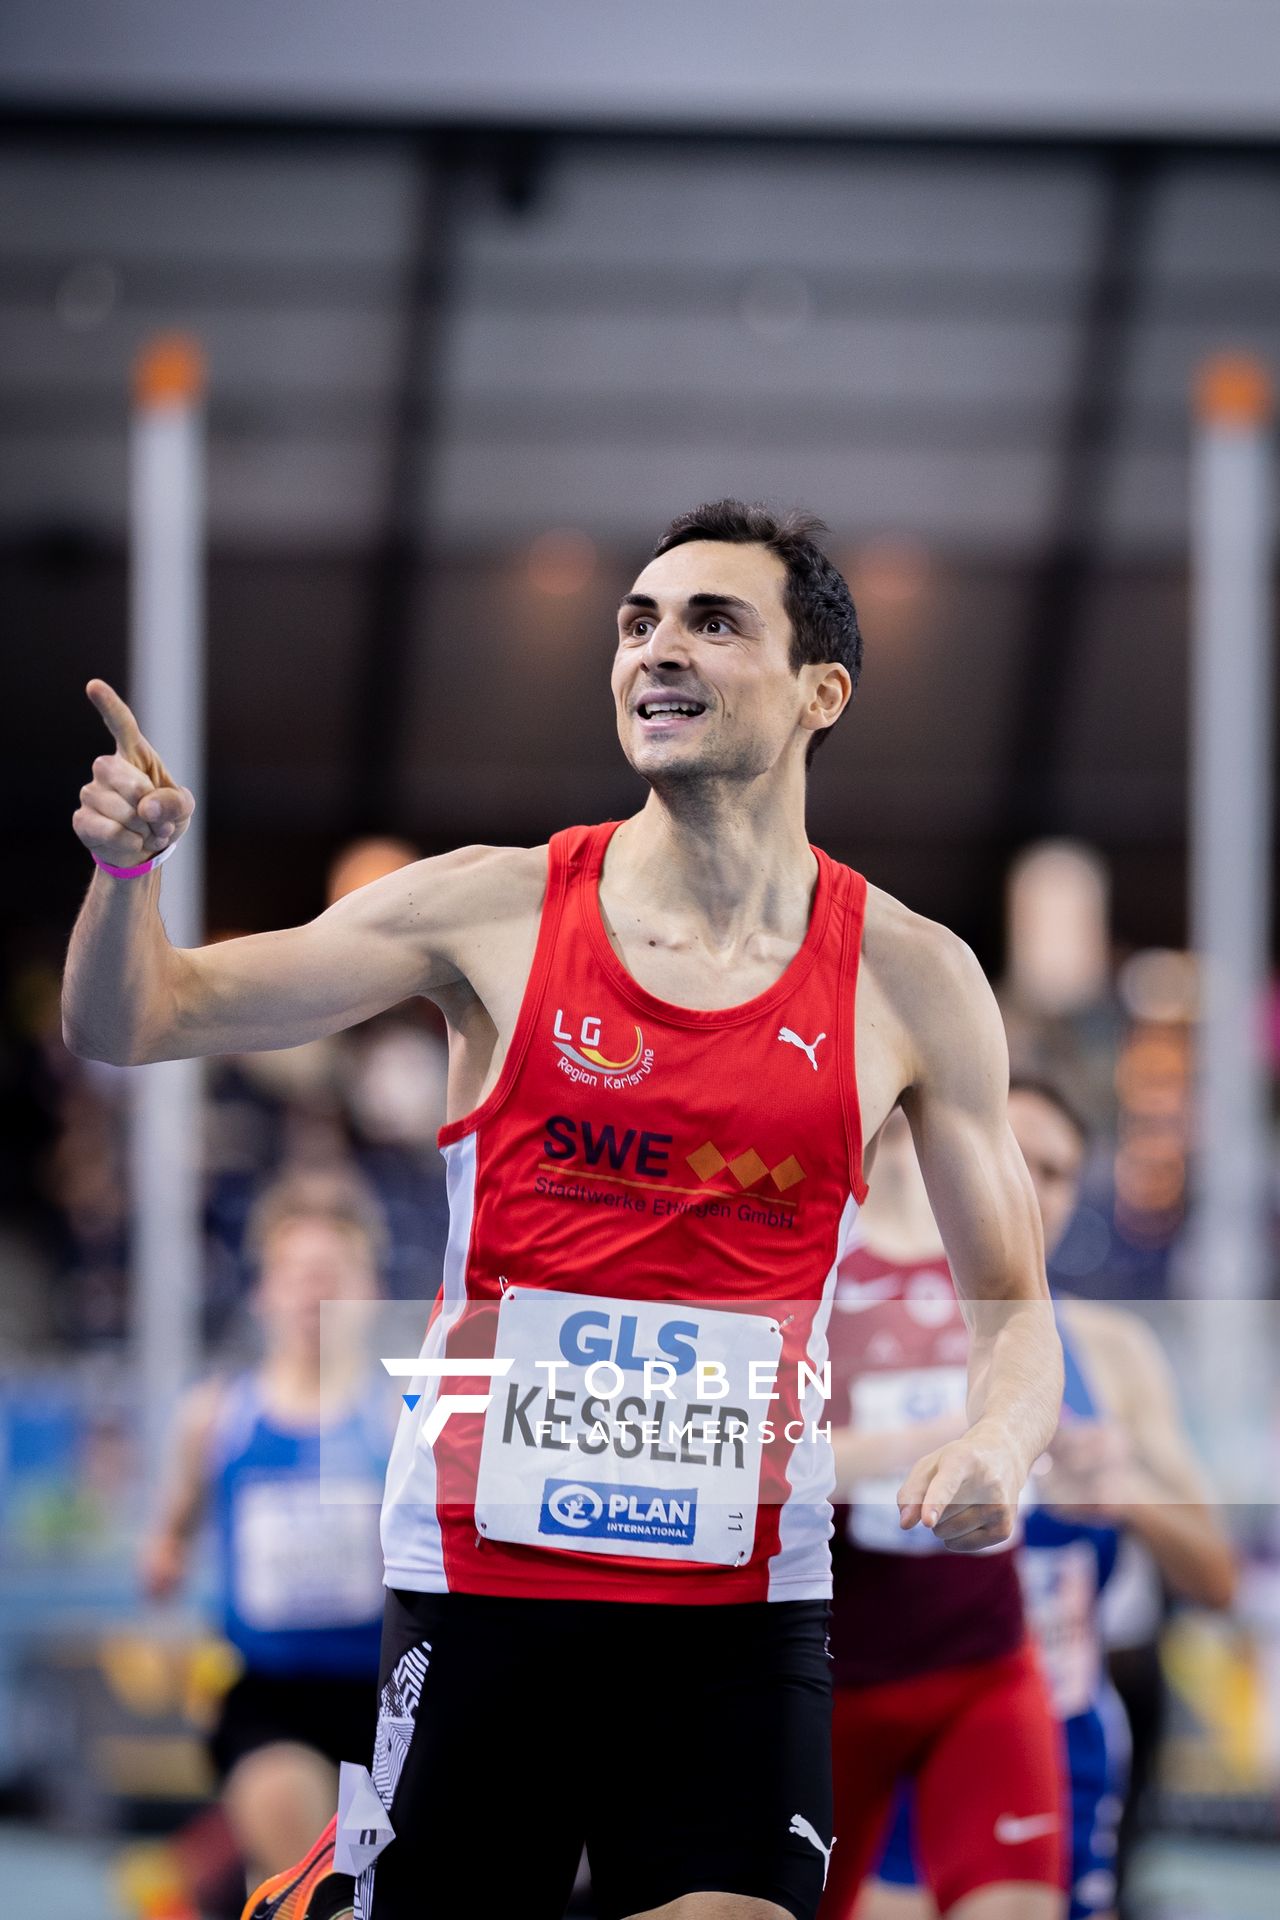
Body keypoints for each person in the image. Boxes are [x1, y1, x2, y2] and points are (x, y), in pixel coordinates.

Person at [64, 499, 1063, 1920]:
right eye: (637, 622)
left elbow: (1015, 1310)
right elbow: (140, 1019)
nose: (657, 650)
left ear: (820, 691)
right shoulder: (497, 913)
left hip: (740, 1611)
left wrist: (999, 1437)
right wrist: (125, 876)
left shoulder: (912, 977)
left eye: (713, 622)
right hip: (485, 1592)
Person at [849, 1079, 1237, 1920]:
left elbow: (1218, 1579)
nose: (1029, 1191)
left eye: (1056, 1172)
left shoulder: (1111, 1351)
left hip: (1046, 1730)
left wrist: (1121, 1493)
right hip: (879, 1698)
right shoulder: (860, 1313)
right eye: (1014, 1160)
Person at [821, 1107, 1066, 1920]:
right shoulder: (818, 1266)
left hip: (982, 1664)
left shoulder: (1003, 1280)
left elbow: (1038, 1414)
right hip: (831, 1676)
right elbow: (751, 1462)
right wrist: (918, 1442)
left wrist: (1019, 1447)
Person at [140, 1174, 390, 1900]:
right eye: (297, 1275)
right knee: (288, 1839)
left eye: (332, 1276)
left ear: (368, 1291)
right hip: (268, 1696)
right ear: (264, 1293)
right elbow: (172, 1533)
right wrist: (163, 1563)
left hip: (382, 1703)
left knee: (372, 1890)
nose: (314, 1296)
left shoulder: (401, 1421)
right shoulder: (217, 1417)